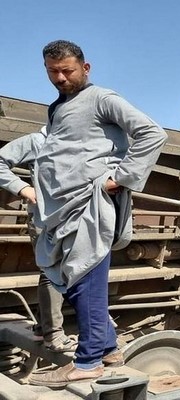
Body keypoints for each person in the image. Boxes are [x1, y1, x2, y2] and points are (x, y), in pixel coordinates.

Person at [9, 40, 167, 387]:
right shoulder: (57, 108)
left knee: (84, 281)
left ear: (86, 68)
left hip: (89, 206)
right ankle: (108, 349)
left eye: (68, 70)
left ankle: (88, 362)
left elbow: (152, 134)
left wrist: (120, 178)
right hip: (62, 210)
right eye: (54, 72)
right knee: (75, 279)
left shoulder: (102, 99)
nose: (61, 78)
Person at [0, 126, 78, 353]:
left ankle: (45, 328)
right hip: (45, 220)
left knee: (61, 270)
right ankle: (52, 334)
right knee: (52, 269)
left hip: (70, 218)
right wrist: (23, 188)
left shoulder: (81, 143)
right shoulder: (38, 141)